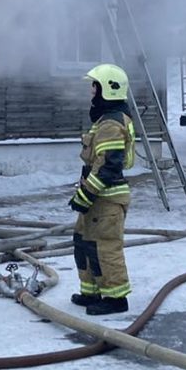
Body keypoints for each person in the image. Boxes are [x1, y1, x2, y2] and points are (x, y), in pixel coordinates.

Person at [69, 63, 135, 316]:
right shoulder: (105, 120)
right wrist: (85, 196)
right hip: (96, 199)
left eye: (94, 87)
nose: (91, 92)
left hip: (106, 199)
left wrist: (85, 195)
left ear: (108, 89)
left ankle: (115, 298)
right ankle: (91, 291)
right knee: (83, 243)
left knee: (105, 247)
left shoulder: (110, 124)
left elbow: (108, 165)